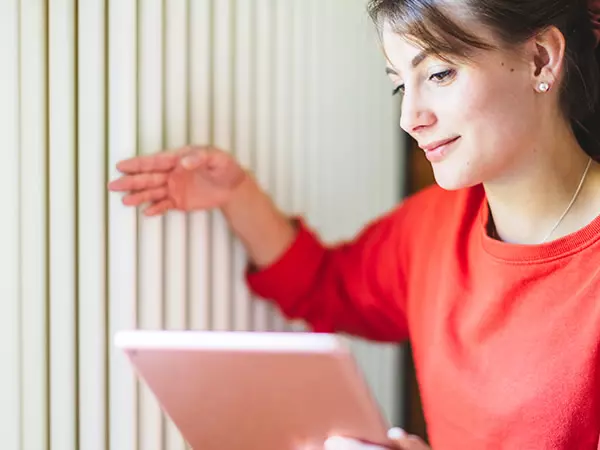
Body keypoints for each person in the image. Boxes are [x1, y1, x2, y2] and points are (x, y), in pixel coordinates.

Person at [108, 0, 600, 448]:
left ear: (540, 58)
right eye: (399, 85)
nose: (410, 117)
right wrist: (236, 195)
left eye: (441, 73)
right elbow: (327, 286)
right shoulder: (431, 228)